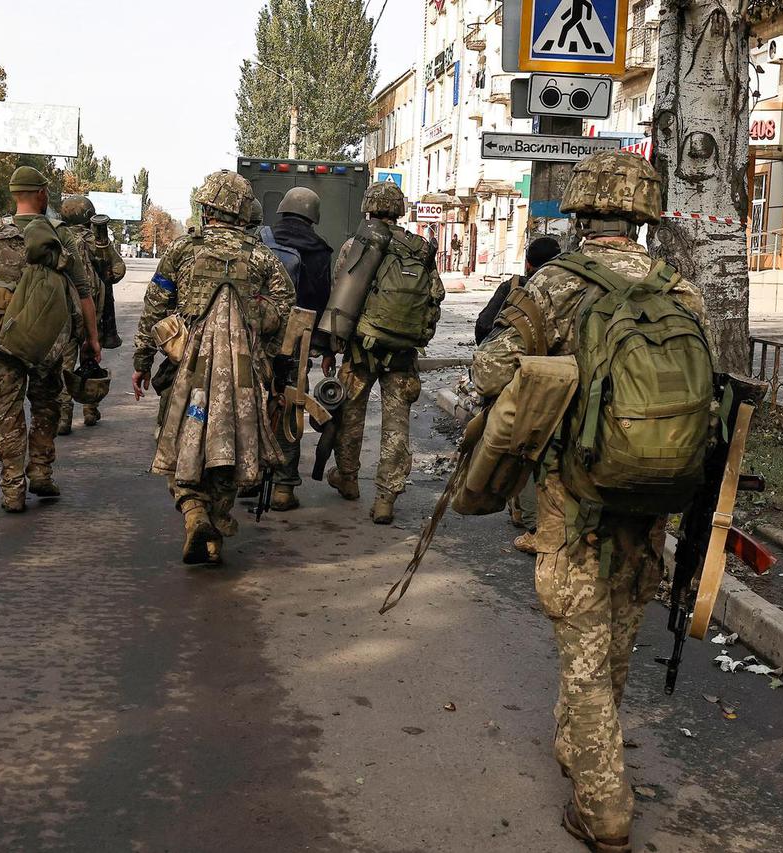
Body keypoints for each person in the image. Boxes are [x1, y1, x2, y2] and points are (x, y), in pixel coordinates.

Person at [472, 150, 712, 853]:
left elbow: (491, 368)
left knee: (580, 644)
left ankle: (604, 806)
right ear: (641, 214)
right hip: (654, 497)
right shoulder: (682, 289)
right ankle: (580, 744)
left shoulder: (556, 283)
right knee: (615, 635)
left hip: (574, 500)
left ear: (579, 212)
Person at [130, 170, 295, 564]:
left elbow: (155, 305)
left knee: (176, 436)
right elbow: (286, 311)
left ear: (207, 209)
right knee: (232, 444)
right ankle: (217, 525)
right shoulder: (260, 256)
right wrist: (256, 331)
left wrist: (141, 359)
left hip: (184, 369)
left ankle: (194, 512)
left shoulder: (183, 249)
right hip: (243, 377)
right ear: (242, 213)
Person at [0, 166, 101, 512]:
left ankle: (12, 489)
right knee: (45, 406)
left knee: (7, 412)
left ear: (14, 194)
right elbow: (83, 291)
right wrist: (92, 338)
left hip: (1, 341)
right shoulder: (59, 233)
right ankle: (40, 472)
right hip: (47, 341)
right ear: (41, 194)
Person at [326, 182, 444, 524]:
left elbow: (340, 296)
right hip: (403, 353)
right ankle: (385, 499)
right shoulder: (420, 248)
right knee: (396, 427)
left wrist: (335, 346)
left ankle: (347, 478)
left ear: (368, 208)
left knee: (350, 416)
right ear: (399, 210)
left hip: (361, 349)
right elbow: (435, 295)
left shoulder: (357, 245)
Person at [474, 235, 563, 555]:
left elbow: (484, 325)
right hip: (556, 382)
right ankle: (529, 515)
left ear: (528, 263)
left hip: (517, 376)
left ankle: (525, 516)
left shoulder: (515, 287)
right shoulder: (566, 290)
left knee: (521, 442)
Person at [264, 186, 335, 511]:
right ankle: (282, 487)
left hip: (261, 341)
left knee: (255, 406)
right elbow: (322, 302)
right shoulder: (319, 250)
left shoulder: (264, 240)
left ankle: (249, 478)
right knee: (290, 407)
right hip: (297, 345)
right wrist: (326, 348)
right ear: (313, 215)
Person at [57, 195, 126, 431]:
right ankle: (90, 409)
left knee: (64, 365)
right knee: (90, 361)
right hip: (91, 313)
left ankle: (64, 417)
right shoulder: (96, 241)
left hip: (63, 313)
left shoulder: (57, 238)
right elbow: (118, 271)